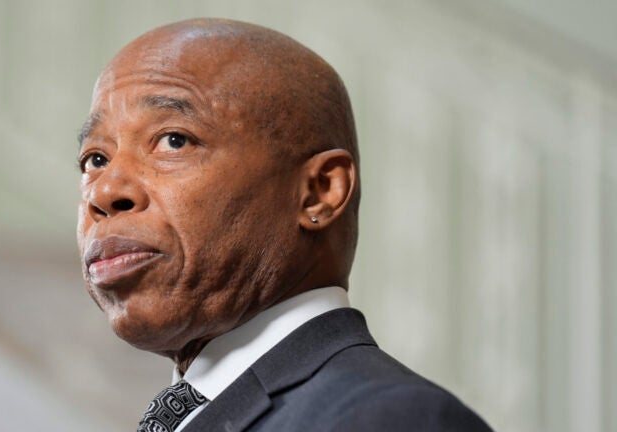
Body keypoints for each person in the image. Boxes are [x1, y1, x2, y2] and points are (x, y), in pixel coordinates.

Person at [76, 18, 492, 432]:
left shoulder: (390, 418)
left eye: (174, 140)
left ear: (319, 191)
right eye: (95, 159)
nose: (104, 191)